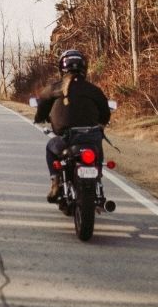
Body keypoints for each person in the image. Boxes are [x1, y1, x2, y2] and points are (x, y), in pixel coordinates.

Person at [33, 49, 111, 203]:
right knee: (97, 149)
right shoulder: (93, 90)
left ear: (62, 68)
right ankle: (98, 181)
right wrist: (100, 124)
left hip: (67, 139)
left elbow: (42, 104)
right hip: (91, 138)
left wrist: (39, 117)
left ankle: (55, 182)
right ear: (84, 68)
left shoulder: (55, 88)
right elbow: (105, 113)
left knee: (50, 148)